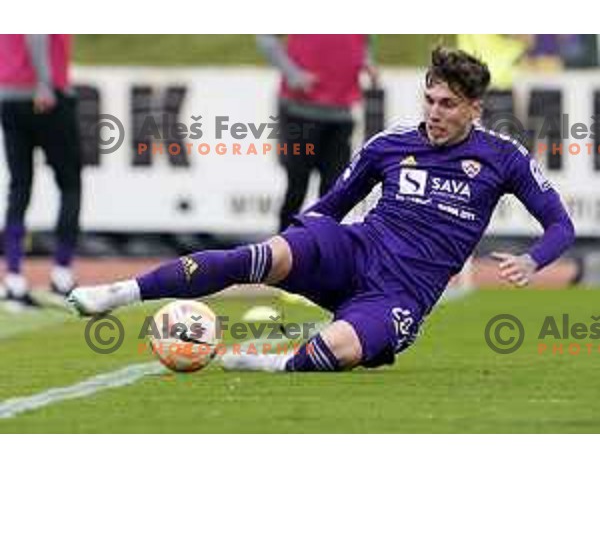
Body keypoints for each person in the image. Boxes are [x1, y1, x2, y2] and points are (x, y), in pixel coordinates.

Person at [68, 48, 575, 372]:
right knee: (260, 256)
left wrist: (533, 260)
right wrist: (296, 243)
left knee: (339, 353)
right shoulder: (389, 145)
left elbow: (560, 223)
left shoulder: (503, 158)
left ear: (473, 109)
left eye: (447, 104)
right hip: (355, 249)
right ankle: (121, 292)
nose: (435, 113)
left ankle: (271, 360)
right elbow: (332, 205)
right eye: (430, 100)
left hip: (402, 291)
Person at [256, 34, 378, 230]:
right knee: (296, 188)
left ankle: (324, 250)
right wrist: (293, 74)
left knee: (334, 192)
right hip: (300, 111)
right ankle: (282, 251)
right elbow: (266, 38)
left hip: (342, 113)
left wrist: (367, 62)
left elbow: (363, 42)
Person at [0, 34, 81, 308]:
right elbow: (36, 33)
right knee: (70, 185)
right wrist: (44, 83)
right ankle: (62, 275)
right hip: (45, 96)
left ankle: (13, 278)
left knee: (19, 186)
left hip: (9, 96)